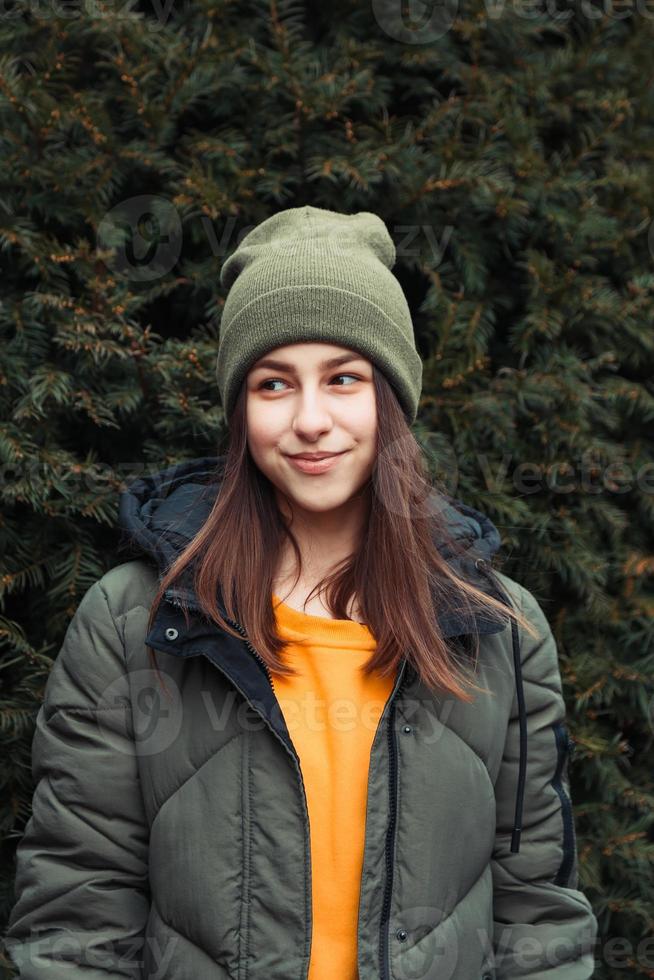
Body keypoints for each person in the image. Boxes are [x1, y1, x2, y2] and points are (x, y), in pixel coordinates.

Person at [4, 205, 598, 979]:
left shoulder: (501, 630)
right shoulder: (131, 621)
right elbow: (76, 919)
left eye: (344, 378)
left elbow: (537, 916)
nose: (310, 419)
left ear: (390, 401)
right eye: (274, 383)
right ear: (240, 409)